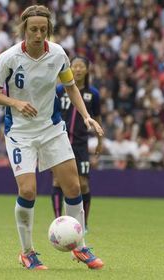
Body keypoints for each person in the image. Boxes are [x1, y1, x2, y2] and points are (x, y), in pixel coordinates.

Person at [0, 5, 104, 270]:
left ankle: (80, 247)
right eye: (33, 29)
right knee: (28, 190)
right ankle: (27, 252)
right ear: (24, 30)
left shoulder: (59, 54)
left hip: (51, 129)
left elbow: (71, 87)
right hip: (20, 133)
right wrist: (15, 103)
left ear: (48, 30)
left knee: (73, 187)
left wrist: (86, 116)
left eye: (43, 29)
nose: (38, 34)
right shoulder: (9, 58)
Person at [51, 56, 103, 232]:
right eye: (75, 66)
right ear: (70, 69)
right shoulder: (59, 90)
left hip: (81, 145)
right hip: (60, 142)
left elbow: (98, 118)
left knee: (83, 184)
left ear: (87, 70)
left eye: (82, 66)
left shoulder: (93, 94)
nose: (78, 69)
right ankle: (58, 222)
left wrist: (100, 142)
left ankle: (84, 223)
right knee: (58, 181)